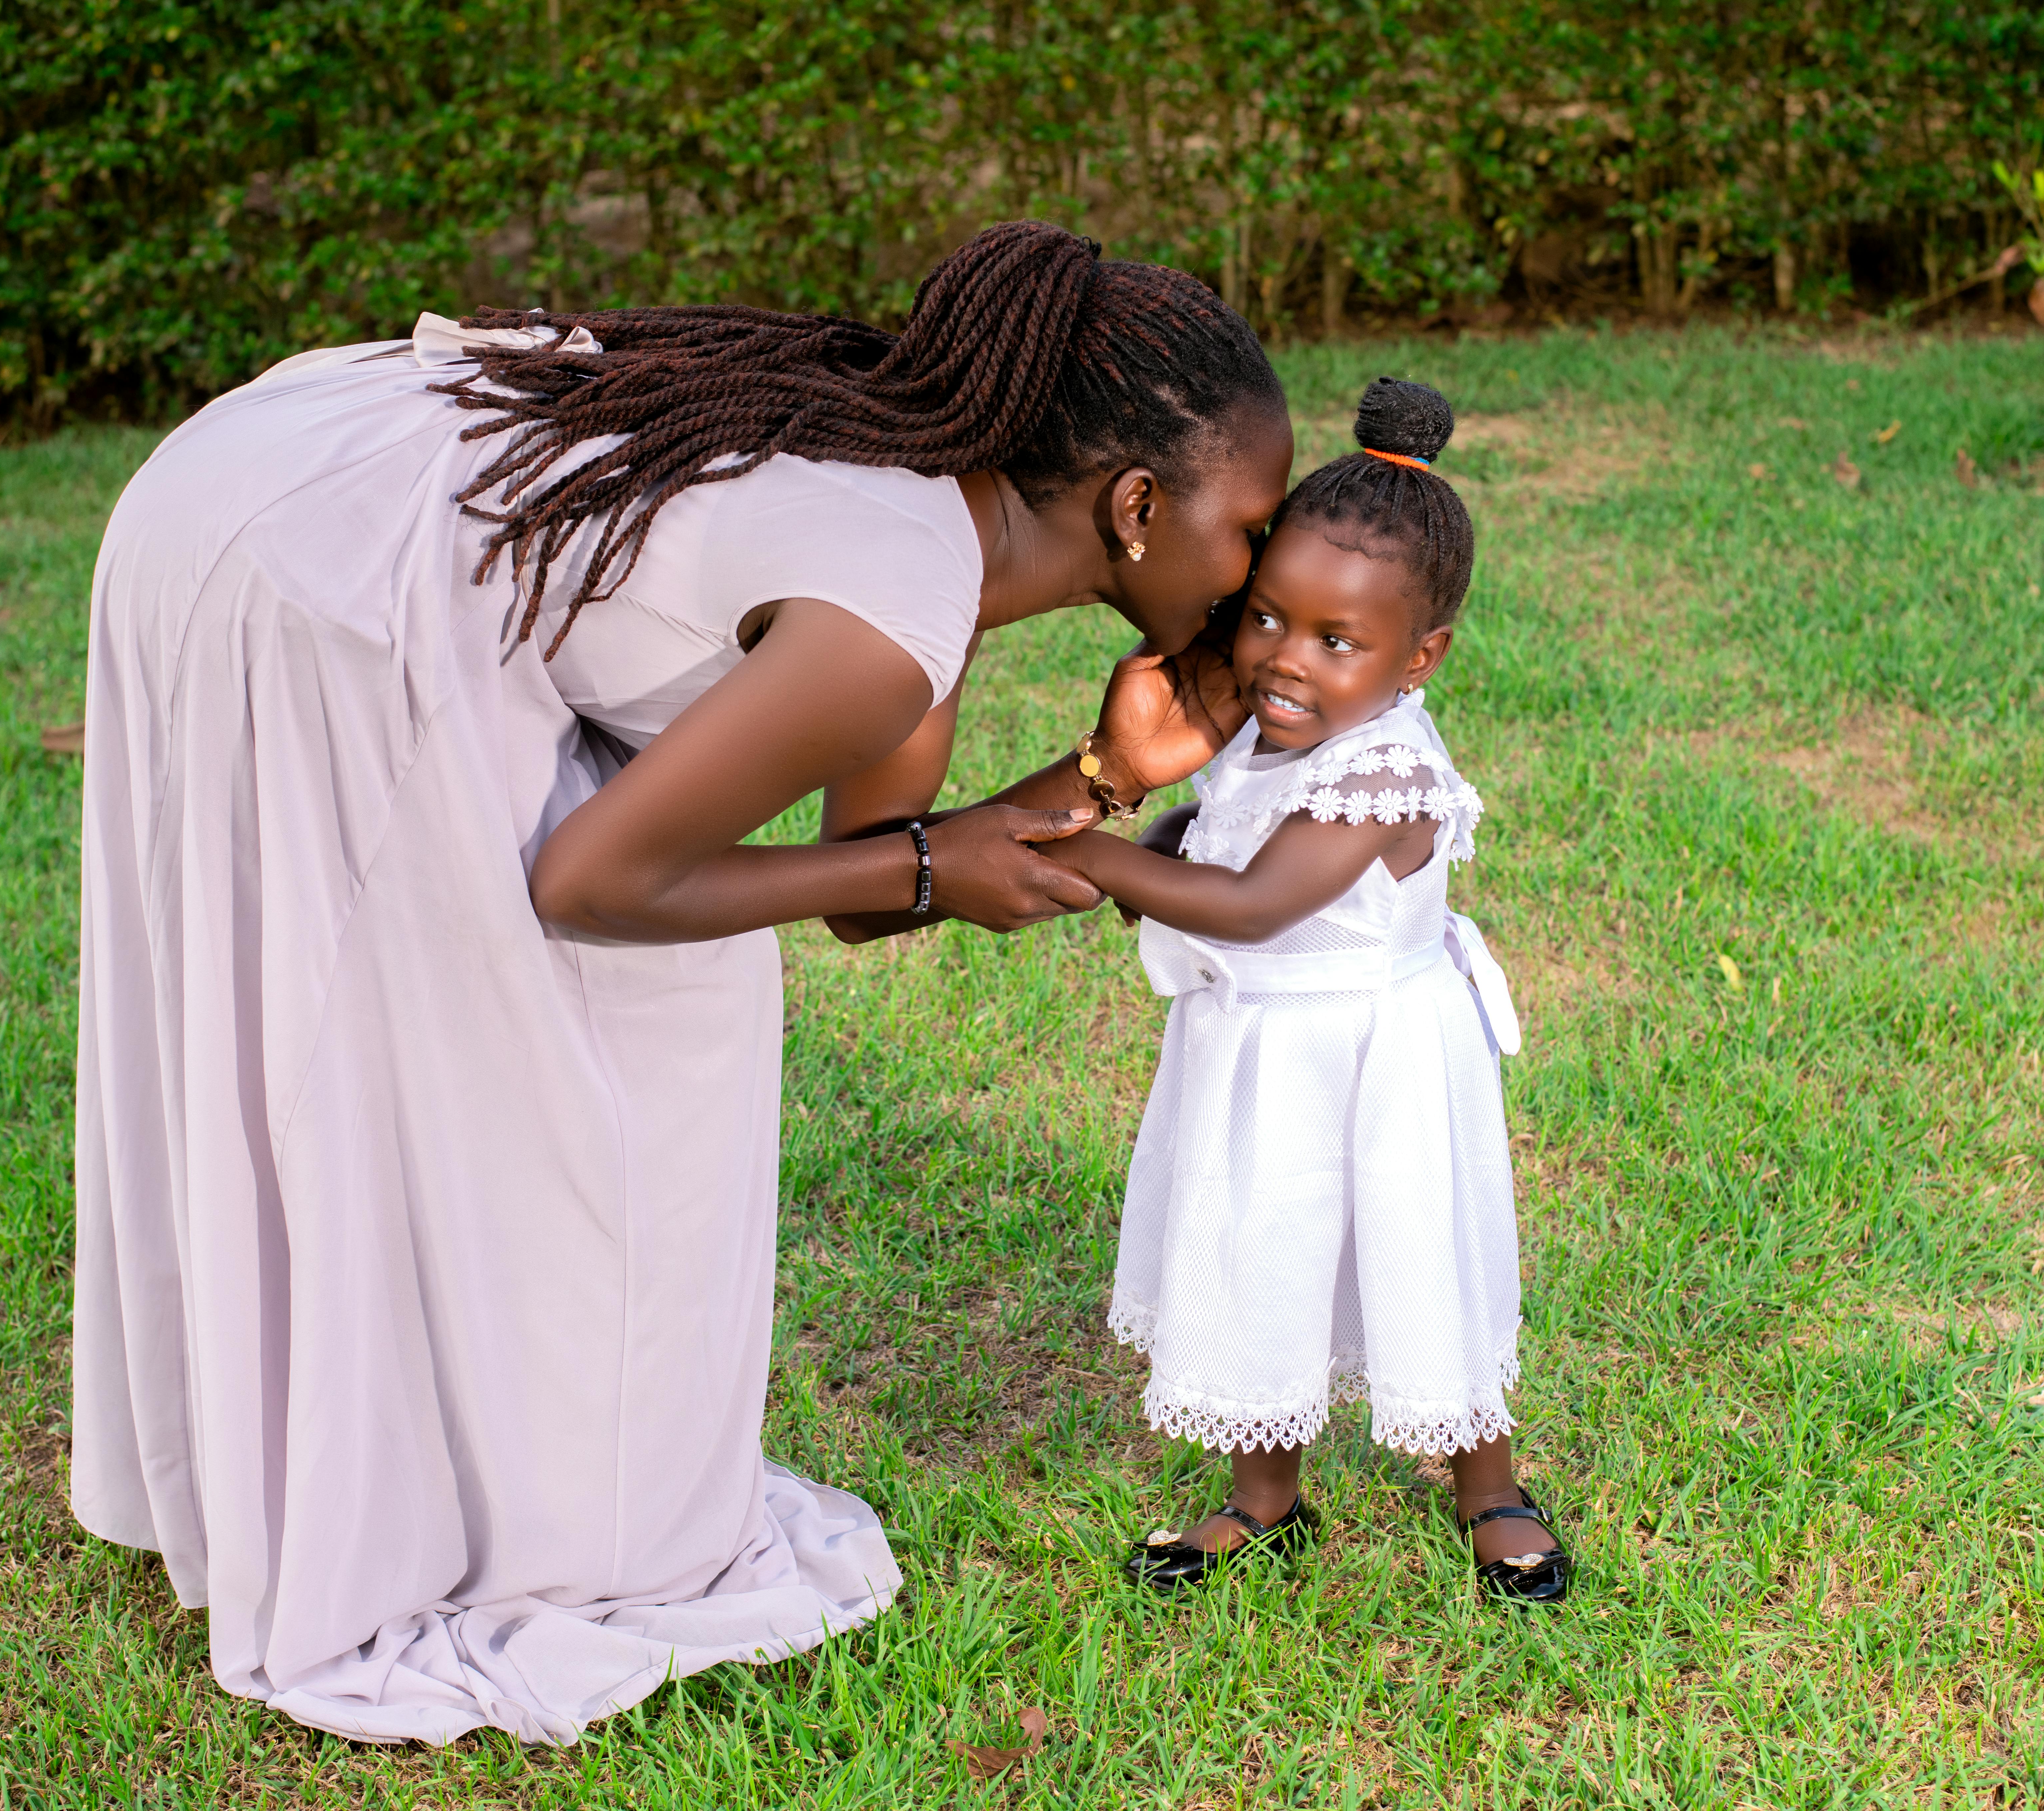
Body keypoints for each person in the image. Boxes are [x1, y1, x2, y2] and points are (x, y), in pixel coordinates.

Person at [70, 222, 1293, 1744]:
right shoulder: (896, 605)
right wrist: (931, 871)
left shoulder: (939, 514)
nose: (1272, 569)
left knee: (630, 1018)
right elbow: (596, 881)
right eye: (1253, 530)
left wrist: (1104, 773)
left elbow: (869, 862)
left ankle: (407, 1458)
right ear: (1131, 506)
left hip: (273, 473)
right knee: (493, 1032)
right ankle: (477, 1515)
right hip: (318, 570)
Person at [1041, 379, 1575, 1608]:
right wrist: (1158, 840)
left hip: (1375, 1065)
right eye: (1269, 618)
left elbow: (1255, 905)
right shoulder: (1262, 728)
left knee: (1413, 1263)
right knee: (1258, 1252)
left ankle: (1487, 1485)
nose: (1286, 660)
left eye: (1338, 643)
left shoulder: (1387, 771)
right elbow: (1210, 840)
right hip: (1258, 1060)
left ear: (1418, 658)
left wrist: (1082, 851)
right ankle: (1263, 1498)